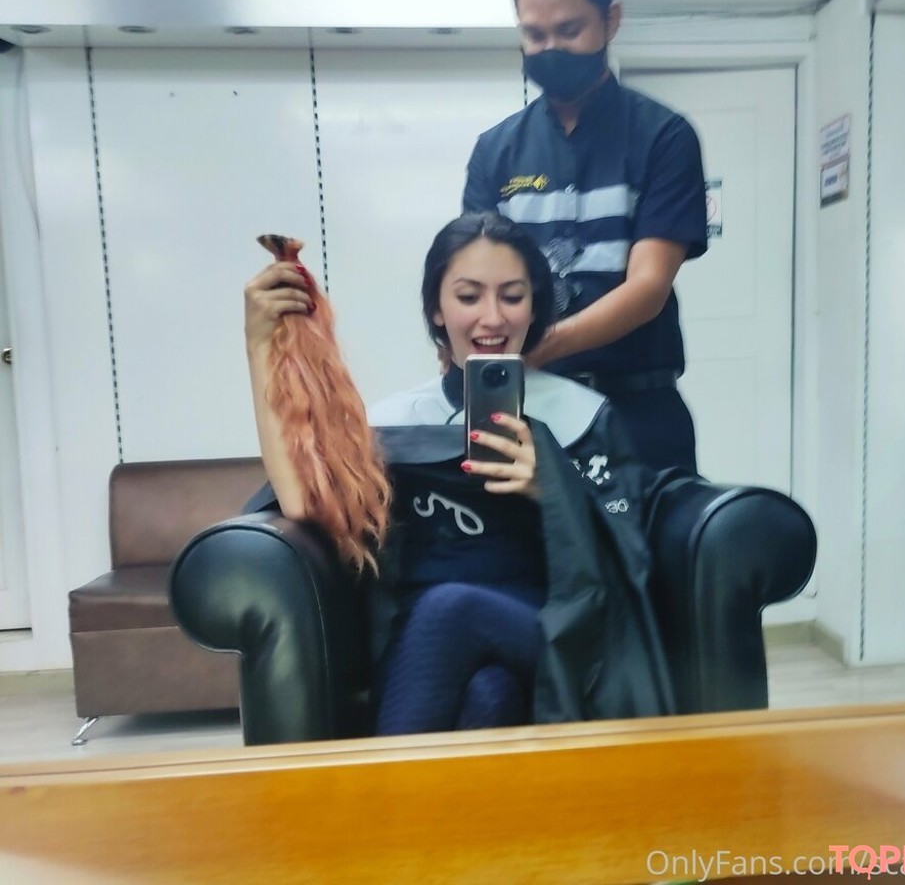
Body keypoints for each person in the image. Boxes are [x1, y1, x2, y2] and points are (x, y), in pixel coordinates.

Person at [243, 212, 675, 736]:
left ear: (535, 305)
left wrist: (555, 489)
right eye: (469, 297)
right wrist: (259, 345)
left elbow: (629, 556)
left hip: (550, 629)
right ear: (437, 309)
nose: (492, 318)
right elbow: (306, 505)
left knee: (452, 608)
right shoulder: (396, 420)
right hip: (423, 642)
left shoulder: (582, 415)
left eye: (512, 296)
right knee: (488, 695)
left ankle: (379, 785)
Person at [463, 0, 708, 474]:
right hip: (526, 410)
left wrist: (541, 345)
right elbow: (476, 281)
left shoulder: (664, 137)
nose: (550, 48)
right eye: (534, 34)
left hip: (637, 413)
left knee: (650, 534)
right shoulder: (495, 152)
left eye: (569, 30)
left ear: (610, 20)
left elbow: (646, 289)